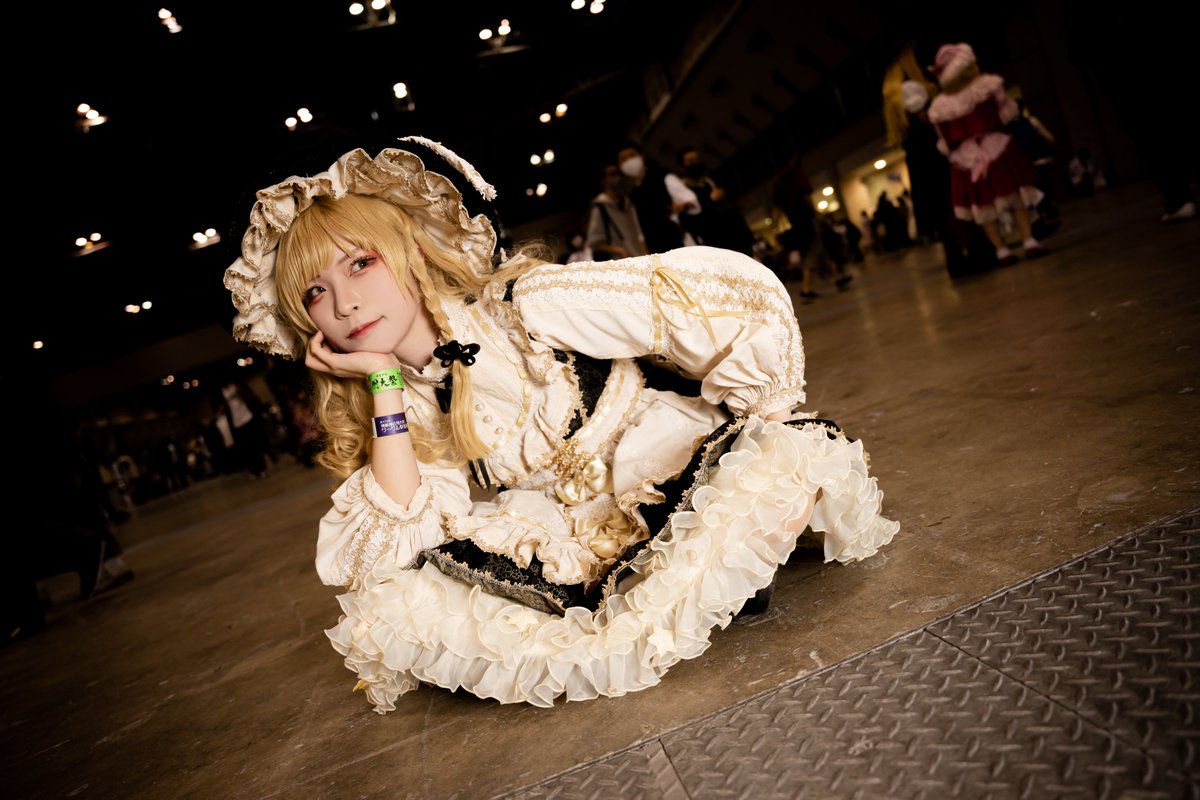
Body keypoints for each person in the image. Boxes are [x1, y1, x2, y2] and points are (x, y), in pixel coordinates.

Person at [224, 138, 898, 712]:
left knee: (780, 473)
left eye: (360, 263)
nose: (343, 302)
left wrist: (768, 422)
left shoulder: (524, 307)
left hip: (671, 458)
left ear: (414, 255)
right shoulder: (416, 400)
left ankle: (718, 568)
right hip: (569, 525)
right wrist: (383, 382)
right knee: (398, 606)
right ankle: (698, 587)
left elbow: (709, 298)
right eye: (315, 291)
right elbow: (398, 535)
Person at [927, 43, 1049, 265]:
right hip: (996, 146)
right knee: (1016, 197)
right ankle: (1029, 241)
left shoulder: (939, 106)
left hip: (967, 158)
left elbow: (944, 141)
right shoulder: (987, 85)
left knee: (982, 207)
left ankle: (1002, 251)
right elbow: (1006, 113)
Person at [585, 164, 646, 261]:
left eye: (618, 174)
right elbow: (594, 242)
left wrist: (645, 254)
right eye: (612, 175)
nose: (617, 178)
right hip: (620, 261)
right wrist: (619, 250)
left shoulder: (627, 203)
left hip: (638, 257)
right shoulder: (600, 207)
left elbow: (639, 234)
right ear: (603, 180)